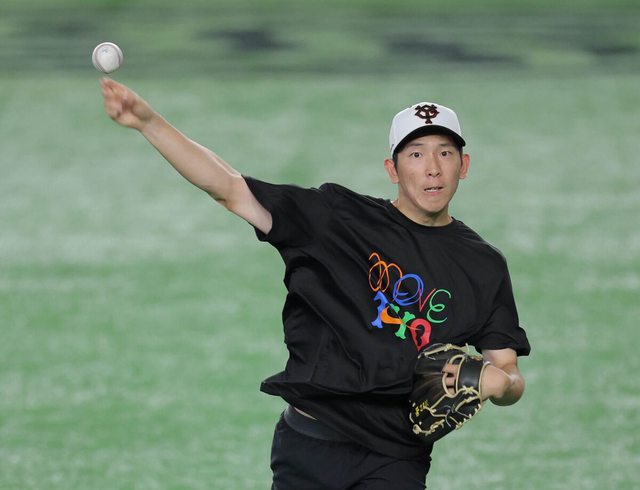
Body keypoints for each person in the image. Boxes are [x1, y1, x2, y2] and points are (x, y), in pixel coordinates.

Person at [100, 78, 531, 490]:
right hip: (311, 444)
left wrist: (501, 384)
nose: (433, 169)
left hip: (397, 457)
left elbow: (507, 369)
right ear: (393, 169)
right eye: (416, 154)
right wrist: (148, 122)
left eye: (445, 153)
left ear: (464, 165)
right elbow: (229, 188)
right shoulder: (337, 220)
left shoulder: (483, 265)